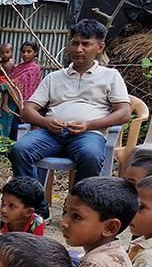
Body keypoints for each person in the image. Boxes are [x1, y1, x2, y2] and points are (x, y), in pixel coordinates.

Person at [8, 20, 131, 216]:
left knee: (90, 155)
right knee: (19, 149)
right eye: (74, 43)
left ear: (100, 47)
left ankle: (76, 206)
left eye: (85, 44)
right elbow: (27, 110)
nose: (78, 49)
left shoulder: (110, 76)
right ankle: (36, 206)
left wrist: (89, 125)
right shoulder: (54, 77)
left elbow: (124, 113)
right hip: (51, 133)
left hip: (88, 134)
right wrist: (45, 122)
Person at [0, 41, 44, 140]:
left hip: (21, 105)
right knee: (3, 129)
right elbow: (9, 79)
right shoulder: (19, 67)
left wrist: (3, 86)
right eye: (23, 51)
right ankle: (0, 151)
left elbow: (16, 81)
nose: (25, 54)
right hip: (9, 102)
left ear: (35, 53)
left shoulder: (34, 69)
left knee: (15, 131)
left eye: (29, 51)